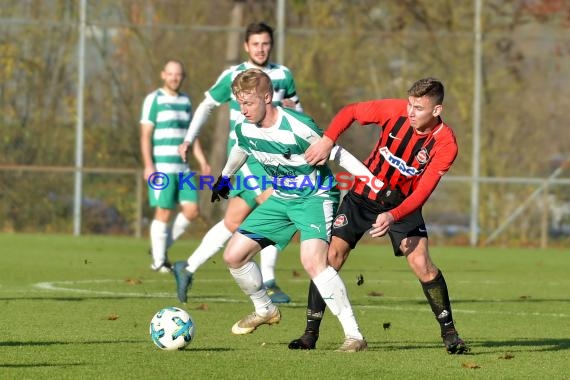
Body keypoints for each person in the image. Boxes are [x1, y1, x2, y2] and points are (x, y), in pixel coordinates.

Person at [287, 77, 470, 354]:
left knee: (422, 263)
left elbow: (422, 193)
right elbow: (350, 112)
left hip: (403, 206)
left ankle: (450, 333)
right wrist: (328, 141)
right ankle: (309, 334)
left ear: (436, 111)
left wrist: (393, 215)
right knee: (331, 258)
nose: (410, 112)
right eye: (410, 105)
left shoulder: (445, 143)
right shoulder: (394, 111)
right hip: (361, 198)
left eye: (419, 108)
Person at [213, 68, 383, 352]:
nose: (243, 110)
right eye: (239, 103)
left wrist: (372, 182)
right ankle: (265, 310)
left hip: (315, 197)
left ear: (267, 97)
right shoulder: (244, 127)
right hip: (281, 198)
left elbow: (336, 152)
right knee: (233, 256)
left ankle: (355, 336)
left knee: (314, 262)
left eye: (248, 103)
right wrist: (225, 177)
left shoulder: (297, 125)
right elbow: (242, 148)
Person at [175, 22, 302, 303]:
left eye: (265, 43)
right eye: (255, 44)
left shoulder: (283, 75)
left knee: (233, 221)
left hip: (276, 158)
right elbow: (207, 104)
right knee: (276, 206)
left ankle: (188, 266)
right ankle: (268, 280)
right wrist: (188, 138)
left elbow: (297, 109)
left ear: (271, 45)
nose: (261, 48)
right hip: (246, 158)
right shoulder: (234, 75)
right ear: (246, 46)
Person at [140, 59, 210, 273]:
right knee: (164, 212)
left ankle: (159, 249)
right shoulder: (154, 100)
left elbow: (192, 134)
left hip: (184, 168)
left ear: (182, 77)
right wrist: (148, 165)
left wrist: (202, 160)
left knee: (192, 210)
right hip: (162, 167)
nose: (174, 78)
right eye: (170, 74)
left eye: (178, 74)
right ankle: (159, 262)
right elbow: (145, 136)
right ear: (163, 75)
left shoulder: (186, 101)